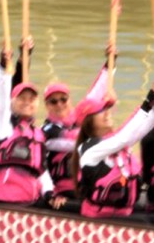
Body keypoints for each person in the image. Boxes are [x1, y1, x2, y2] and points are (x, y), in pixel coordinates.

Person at [75, 87, 154, 225]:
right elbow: (124, 138)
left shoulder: (115, 143)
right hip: (99, 220)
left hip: (122, 213)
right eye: (101, 111)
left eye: (107, 109)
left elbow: (140, 131)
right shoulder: (90, 150)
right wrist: (146, 104)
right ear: (87, 121)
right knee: (150, 223)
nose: (107, 113)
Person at [39, 47, 116, 205]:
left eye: (63, 99)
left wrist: (110, 65)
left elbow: (96, 93)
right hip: (62, 190)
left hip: (85, 185)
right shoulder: (46, 131)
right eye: (53, 101)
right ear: (47, 106)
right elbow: (75, 143)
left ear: (70, 100)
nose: (59, 104)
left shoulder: (79, 119)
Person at [0, 47, 56, 207]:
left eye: (31, 99)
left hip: (29, 200)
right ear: (12, 102)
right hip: (2, 202)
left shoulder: (38, 134)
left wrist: (49, 191)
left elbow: (41, 169)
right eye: (22, 98)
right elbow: (1, 100)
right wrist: (3, 68)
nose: (27, 102)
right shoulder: (3, 126)